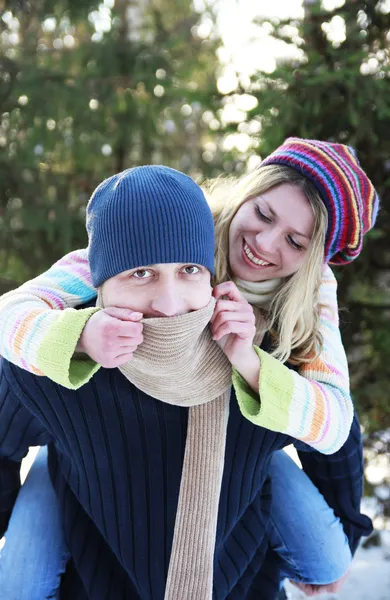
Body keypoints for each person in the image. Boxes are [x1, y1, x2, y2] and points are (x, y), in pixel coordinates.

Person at [0, 139, 377, 597]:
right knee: (19, 581)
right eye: (263, 214)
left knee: (327, 557)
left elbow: (337, 422)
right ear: (246, 194)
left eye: (295, 241)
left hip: (245, 441)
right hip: (91, 449)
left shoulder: (310, 300)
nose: (263, 244)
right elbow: (17, 311)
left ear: (314, 257)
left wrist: (250, 362)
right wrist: (80, 333)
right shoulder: (176, 228)